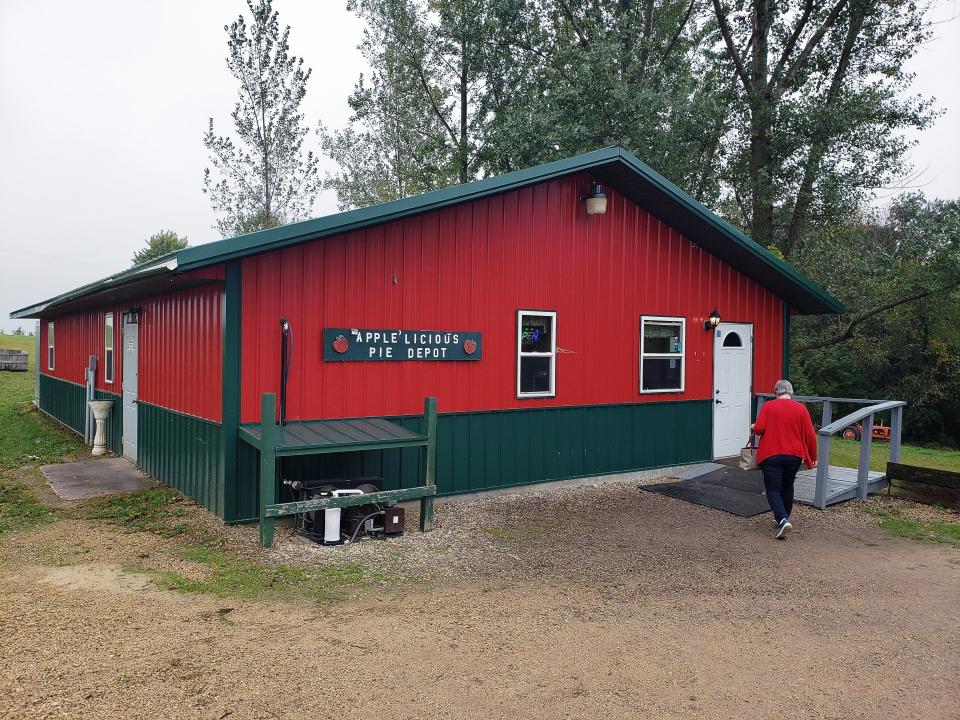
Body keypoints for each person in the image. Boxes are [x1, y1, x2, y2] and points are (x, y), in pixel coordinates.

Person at [750, 379, 818, 539]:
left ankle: (781, 520)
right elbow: (810, 436)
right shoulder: (801, 409)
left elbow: (759, 429)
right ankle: (784, 517)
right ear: (791, 392)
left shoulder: (768, 406)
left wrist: (753, 426)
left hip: (771, 455)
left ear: (776, 392)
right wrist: (813, 456)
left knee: (773, 489)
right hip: (794, 455)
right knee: (787, 485)